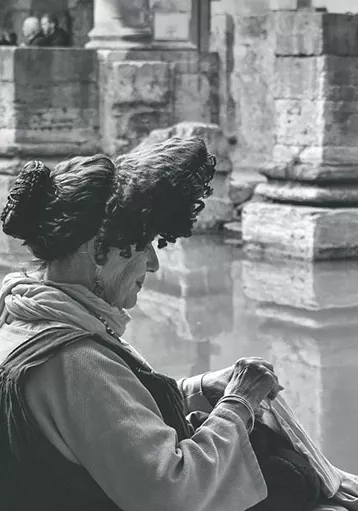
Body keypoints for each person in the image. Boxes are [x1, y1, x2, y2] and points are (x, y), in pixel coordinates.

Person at [0, 138, 284, 511]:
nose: (153, 263)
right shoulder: (74, 360)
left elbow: (103, 423)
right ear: (95, 249)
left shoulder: (24, 319)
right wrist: (240, 403)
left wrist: (197, 388)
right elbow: (173, 493)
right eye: (141, 244)